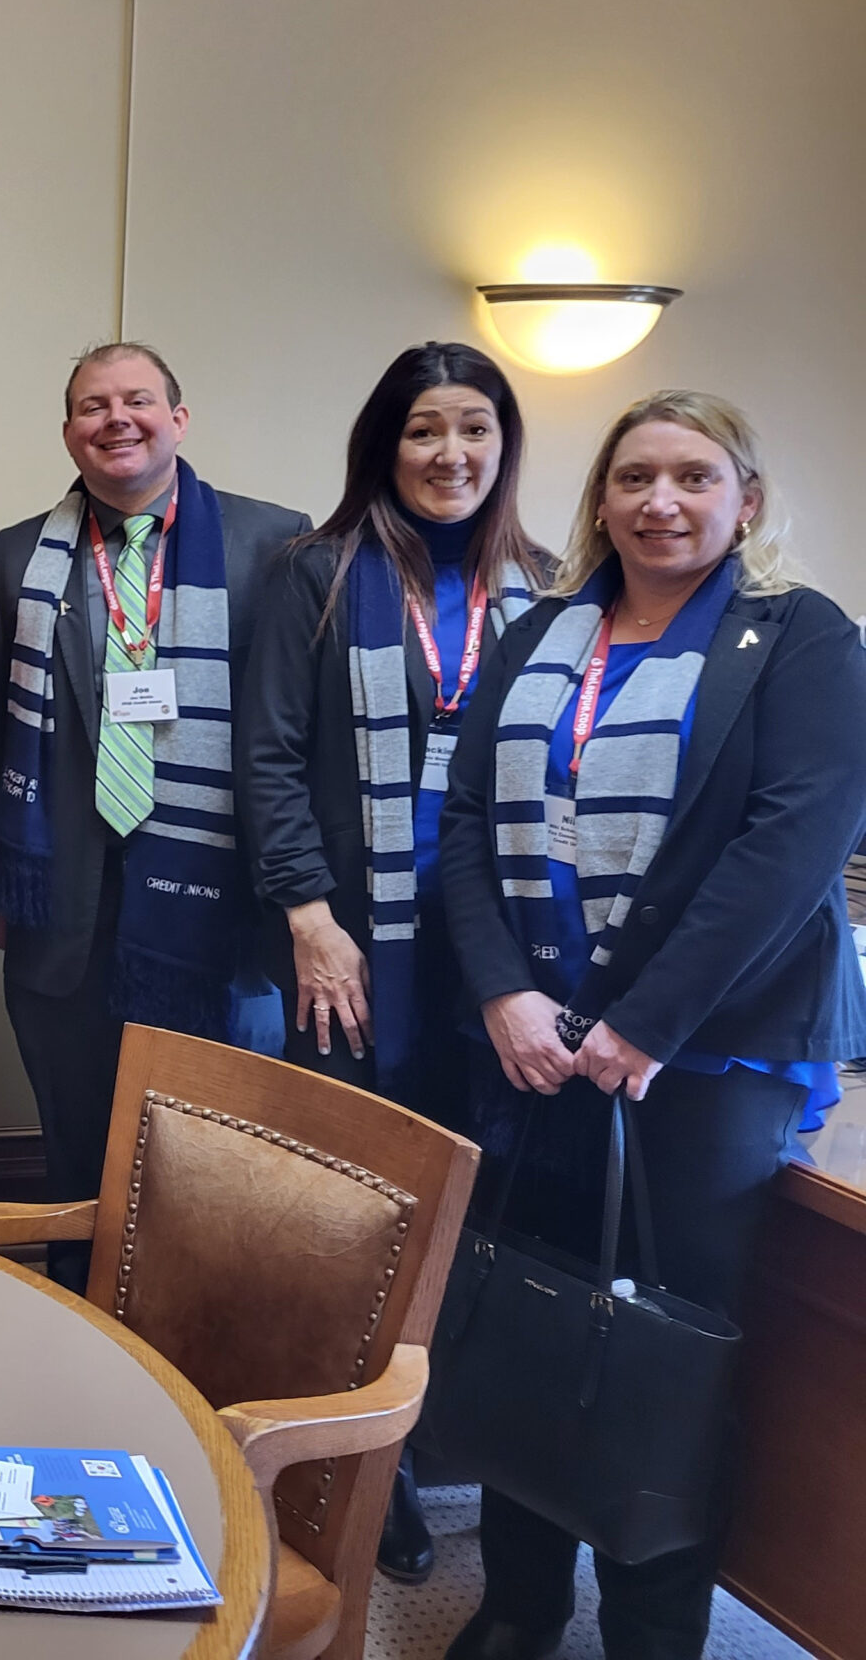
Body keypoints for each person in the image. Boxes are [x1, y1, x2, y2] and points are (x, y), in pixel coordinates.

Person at [437, 391, 864, 1660]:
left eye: (691, 476)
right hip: (531, 1043)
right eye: (633, 477)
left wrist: (643, 1025)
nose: (659, 501)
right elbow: (463, 827)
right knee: (526, 1318)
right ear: (600, 499)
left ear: (746, 499)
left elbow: (790, 848)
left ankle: (650, 1633)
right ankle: (516, 1603)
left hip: (701, 1062)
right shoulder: (541, 638)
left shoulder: (798, 639)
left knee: (660, 1359)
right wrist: (501, 991)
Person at [238, 340, 555, 1584]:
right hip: (352, 957)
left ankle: (446, 1434)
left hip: (494, 968)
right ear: (385, 444)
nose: (450, 454)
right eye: (425, 430)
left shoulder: (547, 591)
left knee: (471, 1217)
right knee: (363, 1220)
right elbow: (264, 760)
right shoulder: (312, 576)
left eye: (473, 430)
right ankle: (373, 1467)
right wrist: (309, 919)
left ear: (502, 447)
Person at [0, 342, 307, 1279]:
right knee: (78, 1152)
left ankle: (191, 1340)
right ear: (69, 432)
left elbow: (296, 736)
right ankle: (77, 1321)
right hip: (65, 910)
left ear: (179, 419)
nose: (116, 420)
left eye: (138, 401)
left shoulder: (277, 546)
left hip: (215, 915)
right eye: (91, 407)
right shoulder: (8, 559)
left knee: (212, 1159)